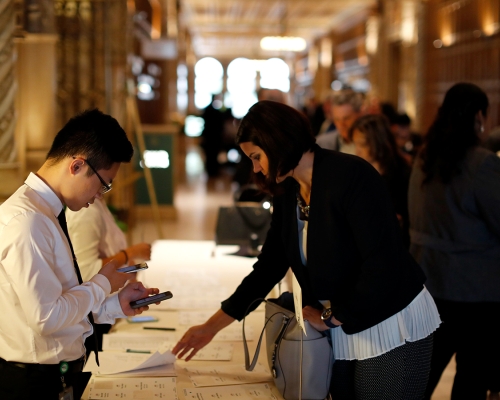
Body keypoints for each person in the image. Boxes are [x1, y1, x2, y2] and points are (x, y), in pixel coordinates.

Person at [173, 100, 440, 399]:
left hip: (390, 322)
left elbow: (383, 264)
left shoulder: (351, 176)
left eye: (257, 156)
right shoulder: (288, 190)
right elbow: (269, 266)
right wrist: (211, 327)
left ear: (278, 143)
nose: (256, 167)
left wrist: (331, 318)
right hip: (342, 322)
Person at [0, 109, 159, 399]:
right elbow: (46, 317)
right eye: (103, 184)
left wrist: (113, 305)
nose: (100, 196)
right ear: (76, 166)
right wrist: (101, 284)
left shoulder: (47, 212)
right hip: (34, 381)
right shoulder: (27, 221)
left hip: (54, 374)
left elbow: (60, 300)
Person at [408, 83, 500, 400]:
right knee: (471, 378)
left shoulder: (424, 157)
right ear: (478, 115)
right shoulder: (482, 163)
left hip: (429, 281)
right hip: (476, 288)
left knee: (423, 373)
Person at [66, 198, 152, 350]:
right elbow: (85, 270)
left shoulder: (97, 203)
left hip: (102, 307)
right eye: (107, 182)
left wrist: (128, 267)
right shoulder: (86, 211)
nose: (105, 188)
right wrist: (130, 253)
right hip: (93, 309)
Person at [349, 114, 411, 247]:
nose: (357, 151)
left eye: (363, 144)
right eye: (356, 144)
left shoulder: (402, 175)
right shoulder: (358, 173)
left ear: (378, 141)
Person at [315, 89, 364, 154]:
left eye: (346, 118)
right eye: (337, 119)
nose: (341, 124)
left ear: (359, 115)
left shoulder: (371, 144)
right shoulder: (322, 144)